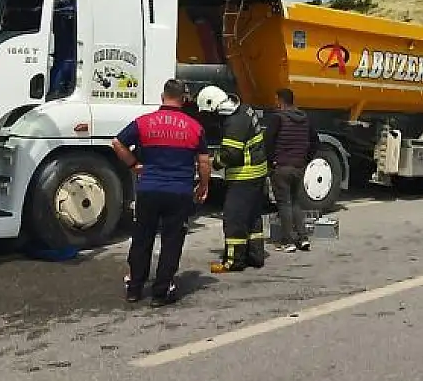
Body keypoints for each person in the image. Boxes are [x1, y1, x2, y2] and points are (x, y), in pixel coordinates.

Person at [111, 79, 211, 306]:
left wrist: (133, 165)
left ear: (162, 96)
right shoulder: (194, 127)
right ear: (183, 99)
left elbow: (117, 143)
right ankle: (161, 292)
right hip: (179, 191)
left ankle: (135, 288)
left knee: (142, 238)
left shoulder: (144, 123)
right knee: (171, 241)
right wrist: (203, 186)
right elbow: (204, 162)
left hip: (149, 189)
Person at [194, 85, 269, 272]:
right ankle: (255, 255)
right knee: (252, 216)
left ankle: (234, 261)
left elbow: (231, 154)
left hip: (244, 176)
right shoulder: (244, 109)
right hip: (258, 173)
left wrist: (213, 163)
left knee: (234, 217)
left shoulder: (233, 122)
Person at [264, 87, 320, 253]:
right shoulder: (305, 118)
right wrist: (305, 159)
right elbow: (315, 142)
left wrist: (270, 162)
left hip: (281, 167)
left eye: (276, 100)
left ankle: (287, 241)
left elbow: (268, 142)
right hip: (298, 167)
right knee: (295, 202)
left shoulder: (277, 118)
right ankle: (302, 238)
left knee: (284, 204)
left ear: (281, 101)